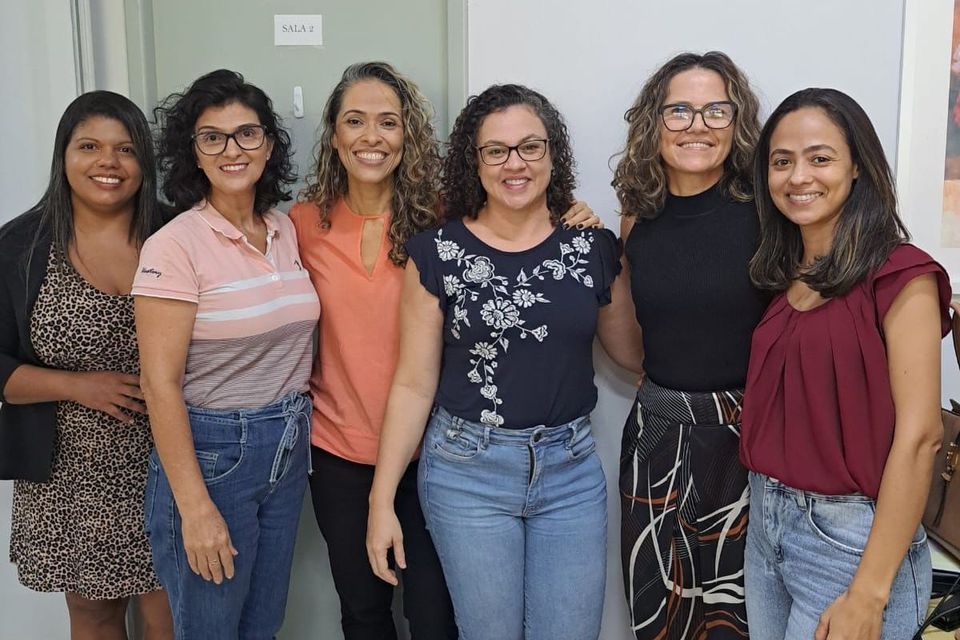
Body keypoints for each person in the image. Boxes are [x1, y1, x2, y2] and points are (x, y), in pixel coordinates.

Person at [291, 61, 601, 640]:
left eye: (388, 122)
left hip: (437, 449)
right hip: (341, 446)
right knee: (363, 611)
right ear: (333, 134)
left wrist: (573, 216)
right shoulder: (302, 223)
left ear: (408, 134)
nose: (371, 136)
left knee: (438, 619)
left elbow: (518, 233)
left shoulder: (444, 223)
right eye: (354, 121)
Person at [366, 83, 623, 640]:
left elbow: (631, 355)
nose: (515, 164)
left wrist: (622, 238)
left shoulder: (592, 248)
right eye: (496, 150)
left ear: (552, 154)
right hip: (468, 472)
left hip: (570, 472)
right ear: (474, 161)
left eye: (530, 147)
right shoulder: (437, 254)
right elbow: (413, 385)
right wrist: (380, 500)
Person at [740, 87, 950, 640]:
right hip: (767, 526)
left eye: (820, 158)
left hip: (852, 541)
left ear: (857, 167)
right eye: (781, 161)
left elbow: (921, 437)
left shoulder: (902, 275)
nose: (798, 177)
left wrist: (869, 591)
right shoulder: (785, 274)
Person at [133, 69, 321, 639]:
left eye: (246, 134)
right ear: (193, 152)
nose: (231, 150)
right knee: (211, 630)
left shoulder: (284, 229)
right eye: (212, 137)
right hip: (213, 456)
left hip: (288, 444)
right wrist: (194, 508)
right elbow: (159, 384)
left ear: (268, 143)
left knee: (262, 626)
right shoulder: (174, 245)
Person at [0, 91, 172, 639]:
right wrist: (77, 386)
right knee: (95, 615)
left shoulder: (178, 235)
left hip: (173, 463)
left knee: (174, 613)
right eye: (90, 147)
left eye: (125, 149)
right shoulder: (21, 246)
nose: (108, 162)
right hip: (70, 477)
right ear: (64, 156)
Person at [609, 51, 766, 639]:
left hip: (748, 440)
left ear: (737, 121)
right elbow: (634, 341)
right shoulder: (637, 215)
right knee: (660, 615)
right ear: (654, 122)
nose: (697, 125)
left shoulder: (768, 212)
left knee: (738, 618)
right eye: (679, 110)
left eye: (715, 110)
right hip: (657, 439)